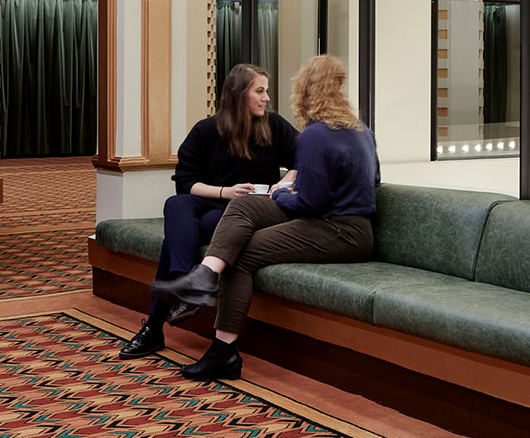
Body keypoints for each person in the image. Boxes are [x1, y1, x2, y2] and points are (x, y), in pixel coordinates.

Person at [151, 54, 379, 380]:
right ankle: (203, 275)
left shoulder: (315, 134)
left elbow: (310, 204)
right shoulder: (360, 130)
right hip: (346, 225)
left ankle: (224, 352)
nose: (269, 98)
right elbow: (374, 182)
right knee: (244, 206)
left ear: (305, 91)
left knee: (240, 255)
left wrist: (284, 192)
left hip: (339, 230)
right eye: (261, 91)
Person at [119, 64, 298, 359]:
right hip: (215, 197)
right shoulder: (206, 130)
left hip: (245, 212)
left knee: (174, 240)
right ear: (240, 94)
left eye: (266, 91)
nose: (266, 98)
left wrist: (282, 183)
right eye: (260, 91)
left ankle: (155, 326)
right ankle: (185, 281)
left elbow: (302, 157)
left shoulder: (274, 125)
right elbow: (185, 184)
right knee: (176, 205)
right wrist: (225, 191)